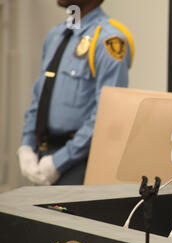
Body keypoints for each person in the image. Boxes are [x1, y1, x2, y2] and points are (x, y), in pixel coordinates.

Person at [17, 0, 134, 185]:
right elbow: (40, 96)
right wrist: (26, 144)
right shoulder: (55, 35)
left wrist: (59, 161)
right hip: (43, 155)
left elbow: (107, 115)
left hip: (78, 163)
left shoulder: (109, 40)